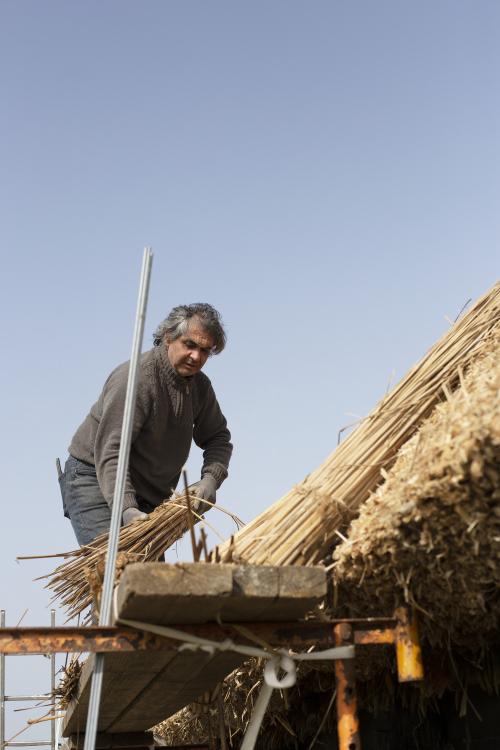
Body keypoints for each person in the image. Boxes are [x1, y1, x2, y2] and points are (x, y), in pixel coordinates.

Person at [59, 303, 232, 546]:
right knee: (116, 572)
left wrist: (210, 480)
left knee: (150, 579)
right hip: (95, 480)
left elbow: (218, 438)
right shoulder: (136, 379)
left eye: (205, 350)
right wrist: (127, 508)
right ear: (168, 337)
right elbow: (111, 452)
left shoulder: (200, 388)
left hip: (149, 495)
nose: (196, 356)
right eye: (190, 345)